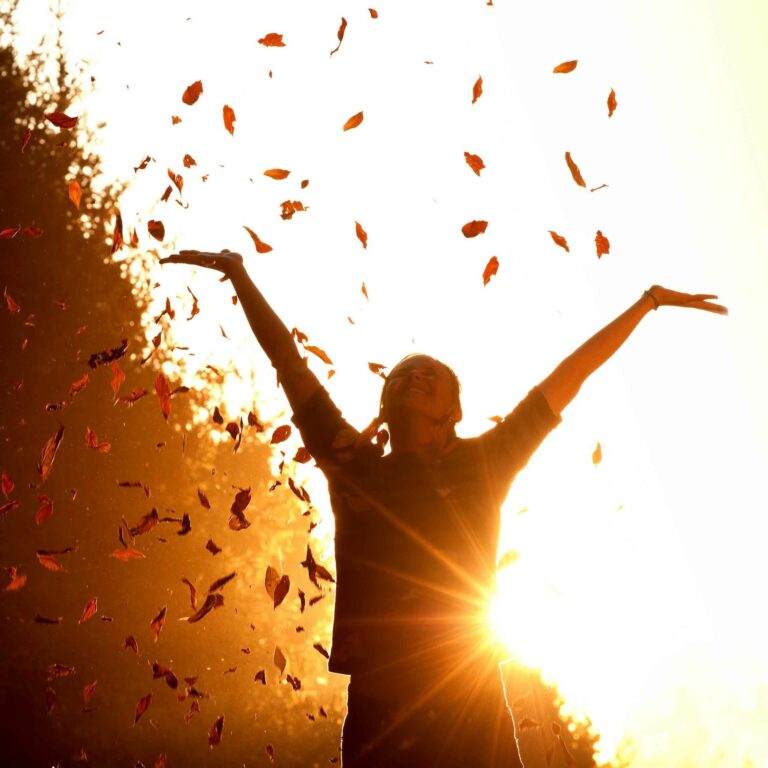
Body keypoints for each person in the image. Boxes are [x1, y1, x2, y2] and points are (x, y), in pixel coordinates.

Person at [161, 249, 726, 767]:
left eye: (430, 376)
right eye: (405, 374)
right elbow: (289, 363)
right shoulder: (353, 467)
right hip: (382, 705)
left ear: (453, 411)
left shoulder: (484, 464)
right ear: (386, 402)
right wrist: (239, 272)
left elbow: (568, 378)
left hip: (470, 698)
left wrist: (646, 303)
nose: (414, 377)